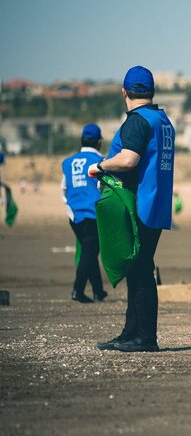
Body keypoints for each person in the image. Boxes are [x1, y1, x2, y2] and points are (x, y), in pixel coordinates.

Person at [90, 66, 175, 352]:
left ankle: (145, 337)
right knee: (138, 269)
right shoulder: (163, 120)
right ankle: (130, 332)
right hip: (156, 204)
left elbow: (128, 160)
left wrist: (100, 165)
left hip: (140, 204)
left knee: (140, 271)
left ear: (124, 91)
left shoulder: (137, 121)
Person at [61, 124, 107, 303]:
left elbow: (63, 188)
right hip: (94, 215)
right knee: (89, 252)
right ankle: (77, 290)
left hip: (74, 216)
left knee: (90, 251)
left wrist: (71, 207)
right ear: (99, 142)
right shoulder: (101, 161)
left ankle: (98, 291)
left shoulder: (68, 162)